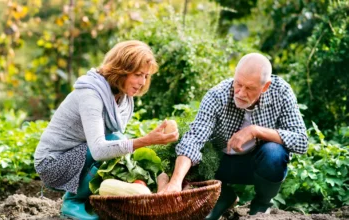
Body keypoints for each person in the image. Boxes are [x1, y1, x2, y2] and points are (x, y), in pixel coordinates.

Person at [34, 40, 179, 220]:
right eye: (138, 74)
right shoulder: (91, 95)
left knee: (119, 144)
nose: (142, 82)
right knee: (115, 140)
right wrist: (147, 140)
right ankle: (72, 201)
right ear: (121, 71)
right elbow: (100, 149)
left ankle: (90, 202)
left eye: (146, 76)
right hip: (53, 164)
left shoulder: (124, 98)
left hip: (80, 156)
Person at [159, 53, 308, 218]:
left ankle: (262, 204)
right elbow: (194, 138)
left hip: (257, 165)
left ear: (265, 87)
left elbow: (301, 141)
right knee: (185, 157)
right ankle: (223, 197)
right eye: (238, 84)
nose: (240, 93)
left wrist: (254, 130)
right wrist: (175, 182)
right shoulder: (218, 95)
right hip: (220, 165)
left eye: (249, 88)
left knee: (274, 152)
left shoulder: (281, 91)